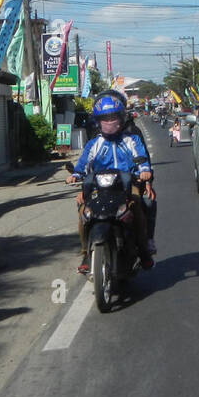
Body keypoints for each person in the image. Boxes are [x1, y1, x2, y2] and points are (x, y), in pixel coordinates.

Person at [66, 93, 155, 275]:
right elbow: (83, 164)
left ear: (121, 118)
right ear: (98, 121)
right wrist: (75, 175)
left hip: (126, 185)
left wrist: (144, 170)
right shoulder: (93, 144)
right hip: (99, 188)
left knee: (138, 206)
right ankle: (85, 253)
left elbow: (141, 158)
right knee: (84, 211)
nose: (109, 122)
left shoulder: (131, 139)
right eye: (105, 118)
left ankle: (144, 250)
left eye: (113, 117)